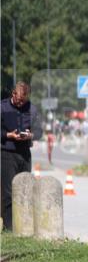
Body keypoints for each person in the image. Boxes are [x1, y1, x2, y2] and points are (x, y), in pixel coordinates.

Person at [2, 82, 40, 230]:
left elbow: (39, 131)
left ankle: (24, 225)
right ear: (13, 94)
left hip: (24, 154)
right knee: (8, 192)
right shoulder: (2, 108)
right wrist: (8, 135)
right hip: (6, 153)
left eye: (23, 101)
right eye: (18, 100)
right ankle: (9, 228)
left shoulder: (32, 109)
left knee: (25, 189)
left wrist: (31, 135)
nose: (20, 103)